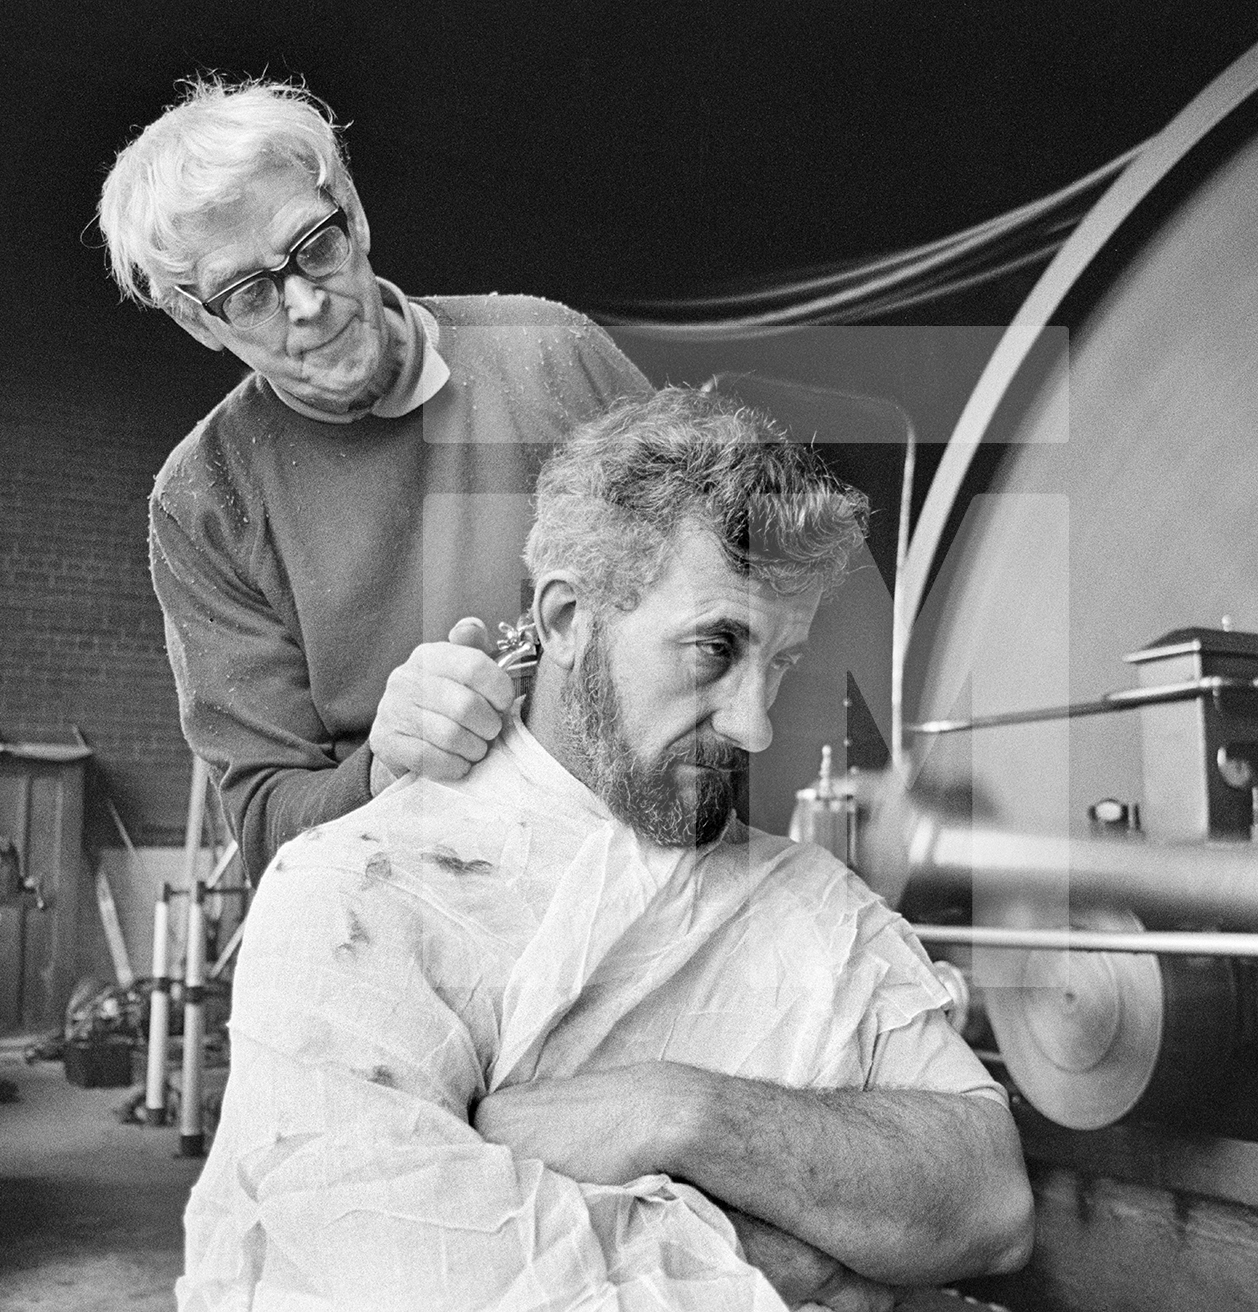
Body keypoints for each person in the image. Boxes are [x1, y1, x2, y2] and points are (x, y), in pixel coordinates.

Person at [178, 388, 1034, 1311]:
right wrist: (821, 1271)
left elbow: (990, 1202)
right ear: (565, 620)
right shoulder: (360, 897)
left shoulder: (812, 904)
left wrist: (677, 1112)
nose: (754, 727)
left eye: (779, 662)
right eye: (716, 648)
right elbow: (416, 1283)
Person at [97, 78, 651, 880]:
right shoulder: (204, 500)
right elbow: (267, 830)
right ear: (198, 321)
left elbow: (724, 589)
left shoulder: (554, 355)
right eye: (249, 294)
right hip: (400, 904)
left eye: (314, 245)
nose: (306, 305)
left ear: (352, 213)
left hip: (629, 865)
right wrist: (387, 766)